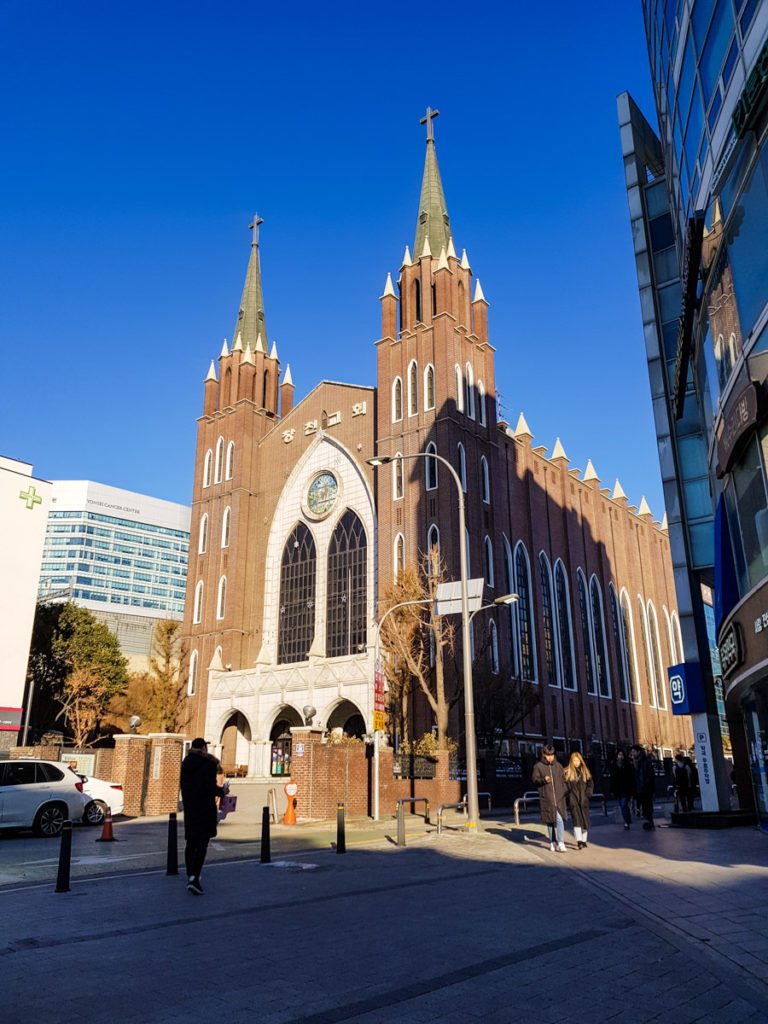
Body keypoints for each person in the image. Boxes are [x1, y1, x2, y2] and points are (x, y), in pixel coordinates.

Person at [180, 737, 224, 894]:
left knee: (191, 842)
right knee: (202, 844)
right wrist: (222, 791)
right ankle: (194, 877)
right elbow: (209, 787)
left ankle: (190, 874)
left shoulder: (186, 763)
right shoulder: (208, 764)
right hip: (205, 808)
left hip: (190, 808)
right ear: (204, 749)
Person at [532, 744, 568, 852]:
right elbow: (535, 779)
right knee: (550, 820)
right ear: (544, 755)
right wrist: (543, 779)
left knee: (559, 819)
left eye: (552, 755)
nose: (550, 757)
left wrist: (563, 791)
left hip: (559, 798)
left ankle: (560, 842)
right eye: (548, 755)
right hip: (547, 798)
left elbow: (564, 780)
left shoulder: (558, 766)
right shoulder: (538, 766)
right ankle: (553, 841)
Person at [564, 751, 594, 849]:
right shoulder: (568, 772)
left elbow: (590, 784)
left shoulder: (585, 772)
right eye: (574, 760)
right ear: (571, 761)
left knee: (585, 821)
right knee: (576, 821)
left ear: (581, 761)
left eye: (578, 760)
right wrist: (568, 797)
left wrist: (587, 794)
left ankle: (584, 840)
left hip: (583, 800)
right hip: (573, 800)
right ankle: (579, 841)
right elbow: (565, 786)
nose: (576, 762)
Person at [630, 743, 656, 830]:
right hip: (638, 789)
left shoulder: (646, 761)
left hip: (646, 788)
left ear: (638, 752)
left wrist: (646, 784)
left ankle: (649, 821)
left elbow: (650, 774)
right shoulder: (633, 762)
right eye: (632, 752)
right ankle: (647, 821)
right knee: (643, 806)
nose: (632, 754)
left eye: (634, 752)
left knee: (648, 805)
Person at [610, 748, 636, 830]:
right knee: (622, 805)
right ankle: (627, 819)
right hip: (618, 789)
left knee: (624, 804)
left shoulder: (628, 765)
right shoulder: (614, 765)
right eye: (619, 755)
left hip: (626, 789)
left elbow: (632, 778)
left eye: (622, 755)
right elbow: (612, 779)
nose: (620, 756)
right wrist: (612, 790)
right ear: (617, 756)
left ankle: (626, 822)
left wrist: (632, 790)